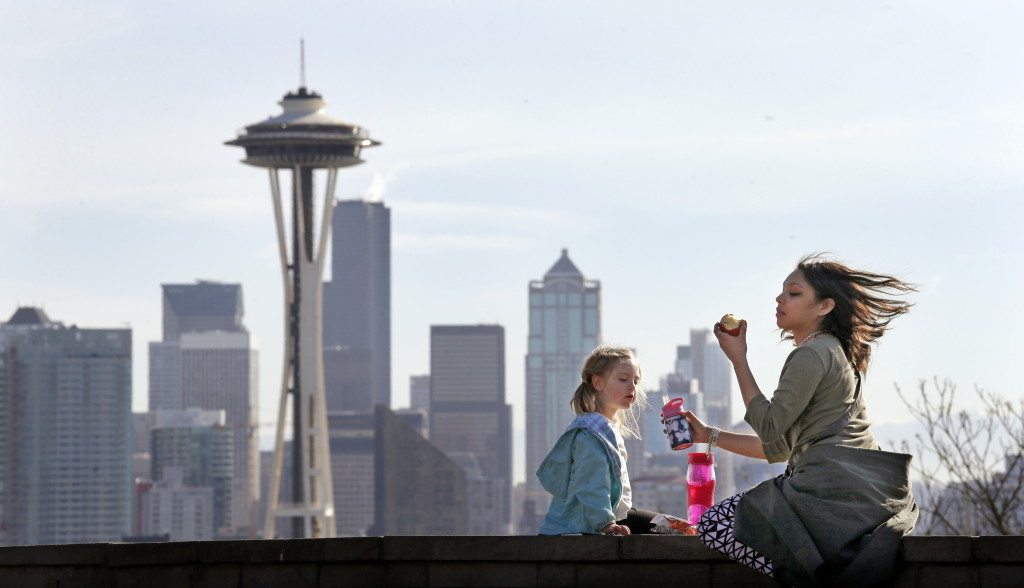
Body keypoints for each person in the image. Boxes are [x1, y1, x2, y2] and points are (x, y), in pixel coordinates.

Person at [683, 255, 919, 585]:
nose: (780, 299)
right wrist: (709, 435)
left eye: (794, 293)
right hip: (855, 489)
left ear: (824, 306)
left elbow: (769, 426)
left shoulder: (811, 353)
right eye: (782, 292)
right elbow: (777, 449)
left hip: (827, 489)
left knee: (714, 525)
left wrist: (738, 360)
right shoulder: (833, 350)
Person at [537, 345, 660, 535]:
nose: (632, 387)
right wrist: (605, 524)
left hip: (600, 519)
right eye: (623, 379)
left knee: (675, 527)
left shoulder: (606, 428)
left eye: (636, 381)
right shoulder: (591, 434)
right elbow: (590, 484)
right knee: (671, 529)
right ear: (598, 382)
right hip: (578, 527)